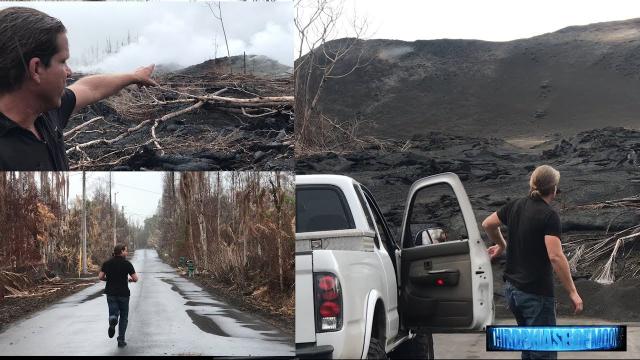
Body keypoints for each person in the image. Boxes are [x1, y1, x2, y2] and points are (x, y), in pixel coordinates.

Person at [0, 7, 158, 170]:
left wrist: (134, 76)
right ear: (36, 69)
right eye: (62, 61)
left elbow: (90, 88)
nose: (69, 72)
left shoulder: (46, 113)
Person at [482, 165, 583, 360]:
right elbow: (555, 256)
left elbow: (488, 224)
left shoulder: (516, 205)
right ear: (554, 189)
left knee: (529, 348)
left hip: (513, 291)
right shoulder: (549, 215)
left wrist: (501, 245)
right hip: (535, 295)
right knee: (542, 352)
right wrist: (572, 292)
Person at [99, 244, 138, 348]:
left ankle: (113, 319)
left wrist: (109, 279)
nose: (127, 252)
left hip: (110, 293)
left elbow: (100, 277)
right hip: (123, 294)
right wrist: (129, 280)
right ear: (121, 251)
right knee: (124, 317)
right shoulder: (127, 264)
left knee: (113, 312)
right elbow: (135, 278)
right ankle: (121, 340)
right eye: (126, 251)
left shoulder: (107, 263)